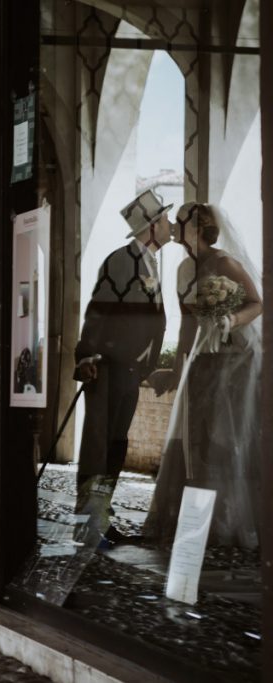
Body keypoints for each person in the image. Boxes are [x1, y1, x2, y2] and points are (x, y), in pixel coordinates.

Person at [143, 202, 262, 548]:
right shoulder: (182, 270)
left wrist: (230, 321)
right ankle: (196, 518)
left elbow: (256, 302)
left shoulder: (225, 263)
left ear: (196, 228)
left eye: (180, 222)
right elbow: (185, 325)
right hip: (201, 359)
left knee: (225, 439)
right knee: (194, 439)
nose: (175, 226)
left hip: (232, 360)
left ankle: (229, 519)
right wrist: (180, 367)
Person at [72, 189, 173, 544]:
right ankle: (88, 524)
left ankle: (100, 517)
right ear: (151, 226)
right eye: (164, 219)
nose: (169, 225)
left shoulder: (147, 261)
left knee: (115, 445)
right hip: (107, 367)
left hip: (129, 370)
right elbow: (98, 311)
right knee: (99, 446)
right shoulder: (122, 260)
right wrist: (86, 356)